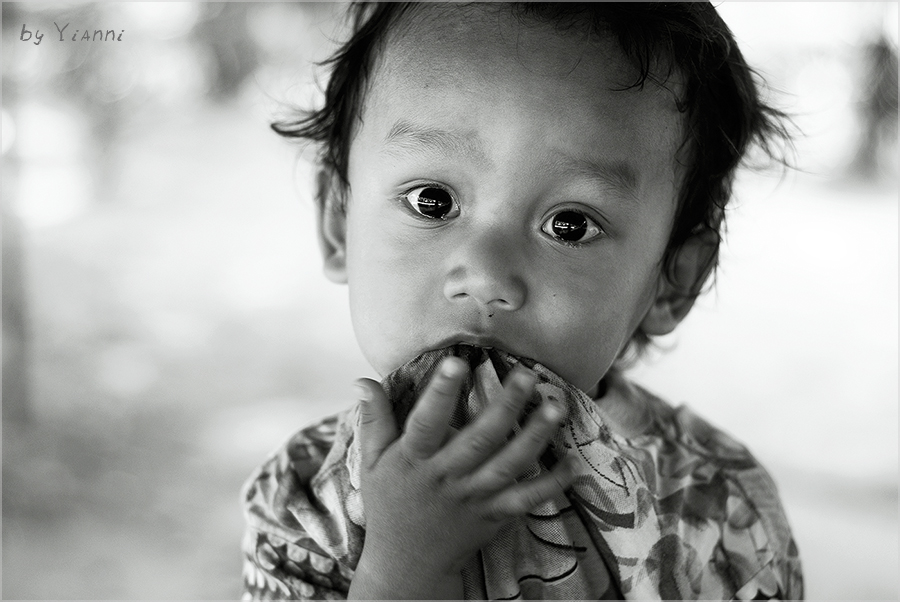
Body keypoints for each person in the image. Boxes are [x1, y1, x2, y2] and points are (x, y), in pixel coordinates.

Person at [241, 3, 803, 599]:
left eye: (570, 225)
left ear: (672, 280)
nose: (486, 277)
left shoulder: (718, 504)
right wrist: (401, 567)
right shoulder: (303, 503)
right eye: (432, 200)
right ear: (337, 224)